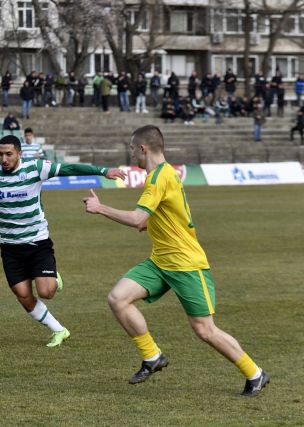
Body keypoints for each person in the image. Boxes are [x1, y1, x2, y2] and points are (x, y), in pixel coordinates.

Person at [81, 125, 269, 396]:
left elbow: (136, 218)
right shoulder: (165, 174)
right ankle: (152, 356)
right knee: (118, 298)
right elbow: (154, 217)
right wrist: (151, 224)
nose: (132, 153)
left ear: (143, 149)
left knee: (205, 330)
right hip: (160, 261)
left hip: (186, 264)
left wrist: (100, 208)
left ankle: (255, 373)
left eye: (133, 149)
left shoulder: (158, 178)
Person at [0, 135, 126, 348]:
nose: (4, 159)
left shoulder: (36, 168)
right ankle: (59, 330)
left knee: (47, 292)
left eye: (9, 154)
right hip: (9, 247)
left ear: (19, 154)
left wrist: (103, 171)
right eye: (1, 154)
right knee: (23, 295)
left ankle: (53, 275)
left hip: (36, 242)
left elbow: (69, 169)